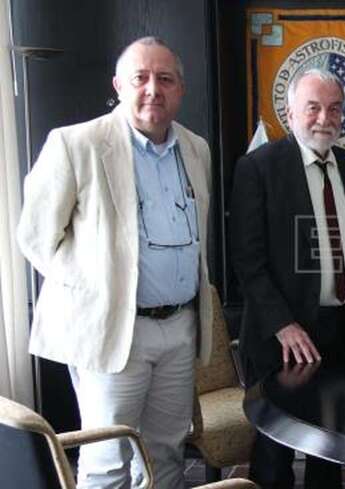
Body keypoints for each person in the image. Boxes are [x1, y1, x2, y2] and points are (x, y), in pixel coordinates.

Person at [16, 37, 213, 488]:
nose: (152, 89)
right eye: (140, 78)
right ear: (119, 85)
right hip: (113, 331)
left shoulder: (196, 149)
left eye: (165, 79)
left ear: (180, 89)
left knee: (166, 454)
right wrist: (102, 287)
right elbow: (36, 237)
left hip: (180, 329)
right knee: (108, 459)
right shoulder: (76, 144)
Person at [229, 68, 345, 489]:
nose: (324, 118)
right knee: (276, 453)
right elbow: (246, 260)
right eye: (313, 107)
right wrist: (282, 325)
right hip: (281, 336)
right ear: (290, 112)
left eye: (334, 109)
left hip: (342, 329)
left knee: (332, 444)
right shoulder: (258, 168)